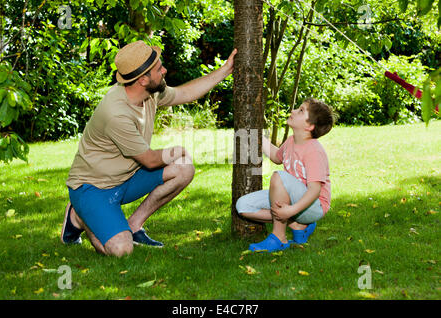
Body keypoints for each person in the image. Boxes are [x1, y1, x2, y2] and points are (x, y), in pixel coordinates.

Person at [61, 40, 237, 257]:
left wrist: (226, 70)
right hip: (93, 187)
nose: (164, 70)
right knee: (121, 250)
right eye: (158, 69)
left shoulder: (150, 93)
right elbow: (150, 161)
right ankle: (78, 215)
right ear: (143, 79)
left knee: (183, 168)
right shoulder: (116, 113)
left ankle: (134, 225)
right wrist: (177, 150)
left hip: (126, 178)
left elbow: (184, 94)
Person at [236, 98, 335, 252]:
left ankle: (279, 237)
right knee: (242, 206)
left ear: (309, 126)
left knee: (278, 176)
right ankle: (297, 225)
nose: (293, 111)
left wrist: (291, 210)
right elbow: (277, 157)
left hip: (314, 206)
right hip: (291, 201)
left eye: (301, 110)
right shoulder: (290, 141)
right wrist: (259, 139)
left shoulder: (314, 150)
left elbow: (315, 190)